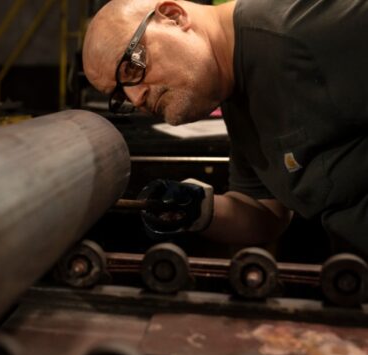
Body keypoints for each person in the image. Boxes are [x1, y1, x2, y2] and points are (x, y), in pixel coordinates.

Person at [82, 0, 368, 255]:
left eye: (132, 67)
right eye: (120, 96)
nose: (136, 97)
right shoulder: (236, 90)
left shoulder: (306, 26)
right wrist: (198, 208)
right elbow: (267, 213)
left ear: (174, 16)